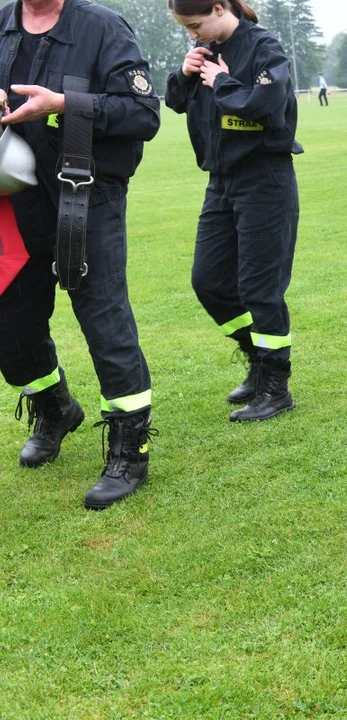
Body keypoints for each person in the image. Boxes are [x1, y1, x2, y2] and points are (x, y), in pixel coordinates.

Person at [0, 0, 160, 510]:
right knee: (11, 324)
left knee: (104, 320)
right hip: (13, 195)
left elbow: (143, 113)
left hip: (84, 196)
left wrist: (66, 104)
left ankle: (128, 449)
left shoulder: (104, 27)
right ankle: (55, 408)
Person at [166, 0, 302, 423]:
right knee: (208, 282)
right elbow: (173, 101)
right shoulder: (206, 50)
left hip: (265, 178)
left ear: (220, 8)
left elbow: (266, 105)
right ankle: (257, 360)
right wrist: (185, 73)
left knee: (260, 288)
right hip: (220, 182)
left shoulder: (264, 47)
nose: (193, 34)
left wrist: (222, 81)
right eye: (186, 29)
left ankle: (276, 388)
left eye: (195, 25)